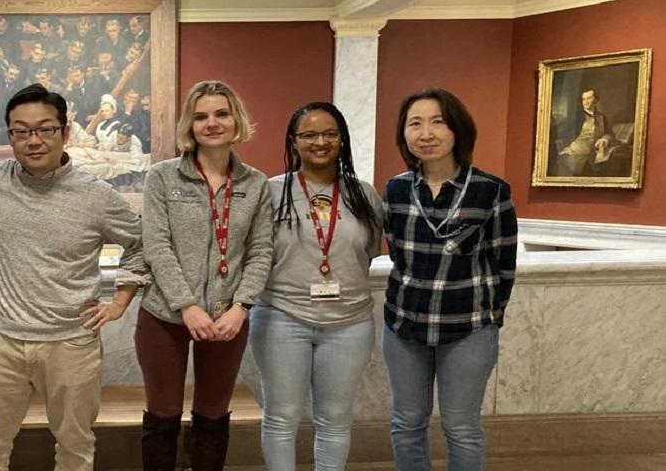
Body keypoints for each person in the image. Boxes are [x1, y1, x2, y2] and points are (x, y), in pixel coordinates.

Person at [0, 84, 148, 471]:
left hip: (72, 344)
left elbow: (141, 243)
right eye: (21, 131)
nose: (33, 141)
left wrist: (119, 302)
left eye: (45, 129)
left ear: (65, 132)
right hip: (2, 342)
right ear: (10, 136)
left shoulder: (96, 195)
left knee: (75, 447)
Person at [136, 80, 274, 471]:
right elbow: (157, 247)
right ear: (189, 126)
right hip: (165, 316)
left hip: (227, 318)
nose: (211, 123)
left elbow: (261, 251)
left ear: (236, 120)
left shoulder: (256, 183)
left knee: (213, 415)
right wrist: (187, 306)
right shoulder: (162, 177)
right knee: (163, 415)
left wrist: (241, 306)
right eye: (200, 117)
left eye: (221, 114)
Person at [382, 88, 517, 471]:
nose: (426, 133)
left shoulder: (490, 191)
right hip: (404, 325)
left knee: (461, 427)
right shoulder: (396, 189)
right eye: (415, 123)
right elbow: (397, 253)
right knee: (407, 423)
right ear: (404, 134)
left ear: (458, 129)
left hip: (468, 327)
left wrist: (491, 318)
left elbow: (504, 264)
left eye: (438, 122)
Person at [251, 102, 382, 471]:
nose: (320, 142)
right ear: (294, 141)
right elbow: (257, 253)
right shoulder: (271, 191)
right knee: (281, 417)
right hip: (281, 318)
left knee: (335, 419)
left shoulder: (363, 194)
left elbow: (368, 251)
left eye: (329, 134)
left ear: (342, 140)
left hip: (349, 324)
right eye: (309, 134)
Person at [557, 88, 614, 176]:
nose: (586, 102)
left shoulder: (602, 117)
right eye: (584, 99)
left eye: (589, 98)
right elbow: (562, 134)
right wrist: (565, 147)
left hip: (595, 157)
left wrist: (604, 139)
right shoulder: (576, 117)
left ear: (595, 100)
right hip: (575, 156)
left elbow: (610, 133)